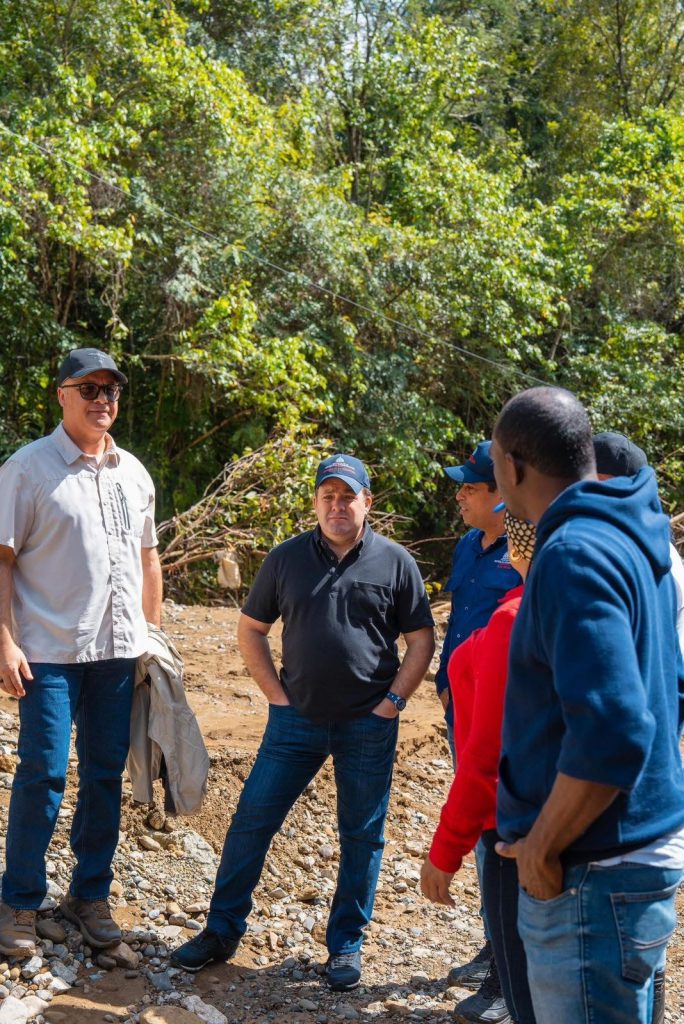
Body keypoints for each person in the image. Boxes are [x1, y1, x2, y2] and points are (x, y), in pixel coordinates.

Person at [171, 454, 435, 991]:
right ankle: (221, 931)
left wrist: (394, 702)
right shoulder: (285, 558)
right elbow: (251, 629)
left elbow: (421, 639)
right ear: (316, 502)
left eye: (347, 496)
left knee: (362, 835)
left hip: (369, 724)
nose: (337, 506)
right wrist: (276, 696)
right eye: (327, 496)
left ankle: (345, 945)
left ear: (367, 502)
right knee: (251, 820)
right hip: (295, 723)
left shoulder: (396, 562)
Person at [490, 386, 684, 1024]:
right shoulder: (630, 536)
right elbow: (670, 688)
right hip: (622, 864)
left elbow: (613, 730)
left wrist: (543, 847)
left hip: (591, 876)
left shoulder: (573, 554)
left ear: (514, 465)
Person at [0, 347, 162, 957]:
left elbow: (148, 559)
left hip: (117, 654)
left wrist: (152, 637)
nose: (102, 400)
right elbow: (2, 560)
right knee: (42, 772)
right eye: (88, 389)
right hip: (48, 653)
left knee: (102, 775)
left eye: (110, 390)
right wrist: (4, 640)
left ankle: (89, 895)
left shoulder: (133, 472)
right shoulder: (27, 469)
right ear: (62, 395)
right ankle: (19, 901)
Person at [422, 511, 538, 1024]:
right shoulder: (611, 600)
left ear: (518, 547)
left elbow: (486, 758)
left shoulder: (515, 618)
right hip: (576, 821)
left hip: (512, 824)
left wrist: (446, 849)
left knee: (524, 992)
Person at [436, 441, 520, 1018]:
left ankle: (505, 973)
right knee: (483, 835)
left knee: (495, 833)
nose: (460, 496)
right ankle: (494, 945)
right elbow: (458, 621)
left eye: (470, 487)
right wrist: (445, 681)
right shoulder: (469, 545)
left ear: (502, 497)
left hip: (501, 720)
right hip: (460, 711)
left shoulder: (526, 553)